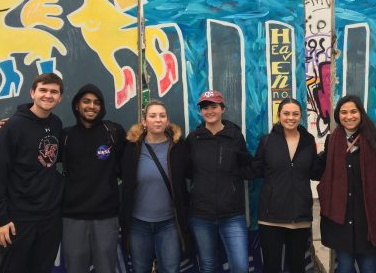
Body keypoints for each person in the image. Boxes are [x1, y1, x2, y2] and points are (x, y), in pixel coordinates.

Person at [0, 73, 65, 272]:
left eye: (54, 92)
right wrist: (0, 219)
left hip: (49, 219)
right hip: (17, 220)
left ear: (60, 97)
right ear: (32, 93)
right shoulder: (12, 127)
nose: (48, 95)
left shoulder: (56, 124)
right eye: (43, 90)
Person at [317, 95, 376, 273]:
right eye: (344, 112)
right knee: (344, 267)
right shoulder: (332, 141)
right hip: (340, 220)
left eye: (353, 111)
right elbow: (324, 173)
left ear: (361, 113)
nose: (349, 116)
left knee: (369, 268)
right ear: (338, 116)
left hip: (368, 220)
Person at [61, 84, 126, 273]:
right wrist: (9, 126)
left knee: (106, 268)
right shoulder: (65, 136)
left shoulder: (113, 132)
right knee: (75, 269)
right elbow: (38, 149)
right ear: (76, 105)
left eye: (97, 103)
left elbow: (132, 160)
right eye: (86, 101)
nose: (91, 106)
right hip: (73, 217)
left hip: (106, 216)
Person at [247, 98, 318, 273]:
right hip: (271, 218)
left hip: (299, 218)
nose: (290, 118)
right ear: (279, 115)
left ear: (301, 116)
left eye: (295, 114)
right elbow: (255, 170)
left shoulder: (308, 141)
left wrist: (329, 156)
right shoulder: (267, 141)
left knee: (297, 267)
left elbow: (315, 172)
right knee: (271, 268)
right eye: (286, 113)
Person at [120, 100, 191, 273]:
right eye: (152, 116)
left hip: (169, 224)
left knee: (170, 269)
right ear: (144, 121)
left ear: (167, 120)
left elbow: (191, 174)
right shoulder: (132, 147)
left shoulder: (178, 146)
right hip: (138, 224)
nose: (158, 120)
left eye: (162, 116)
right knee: (140, 269)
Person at [186, 90, 252, 273]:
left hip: (232, 215)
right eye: (205, 107)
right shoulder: (193, 139)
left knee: (240, 266)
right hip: (200, 215)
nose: (209, 111)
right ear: (200, 111)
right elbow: (188, 171)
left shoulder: (235, 136)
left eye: (214, 106)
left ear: (223, 109)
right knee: (207, 265)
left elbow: (245, 166)